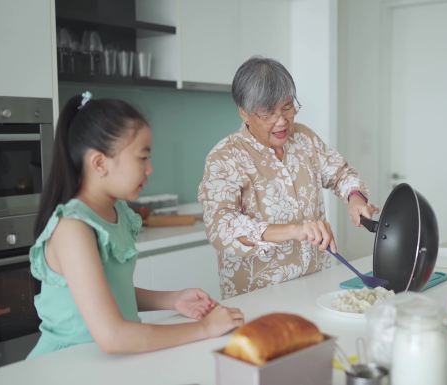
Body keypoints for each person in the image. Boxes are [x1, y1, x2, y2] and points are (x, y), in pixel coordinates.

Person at [28, 92, 244, 358]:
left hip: (107, 362)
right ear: (99, 163)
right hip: (69, 364)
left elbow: (109, 290)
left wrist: (172, 299)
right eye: (142, 157)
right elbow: (113, 337)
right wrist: (204, 328)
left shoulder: (115, 210)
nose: (150, 168)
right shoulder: (73, 228)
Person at [198, 57, 378, 299]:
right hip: (258, 296)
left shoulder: (304, 138)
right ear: (244, 113)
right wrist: (295, 230)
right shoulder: (225, 157)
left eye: (287, 107)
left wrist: (355, 198)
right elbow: (221, 227)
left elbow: (340, 173)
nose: (282, 120)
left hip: (317, 283)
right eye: (268, 112)